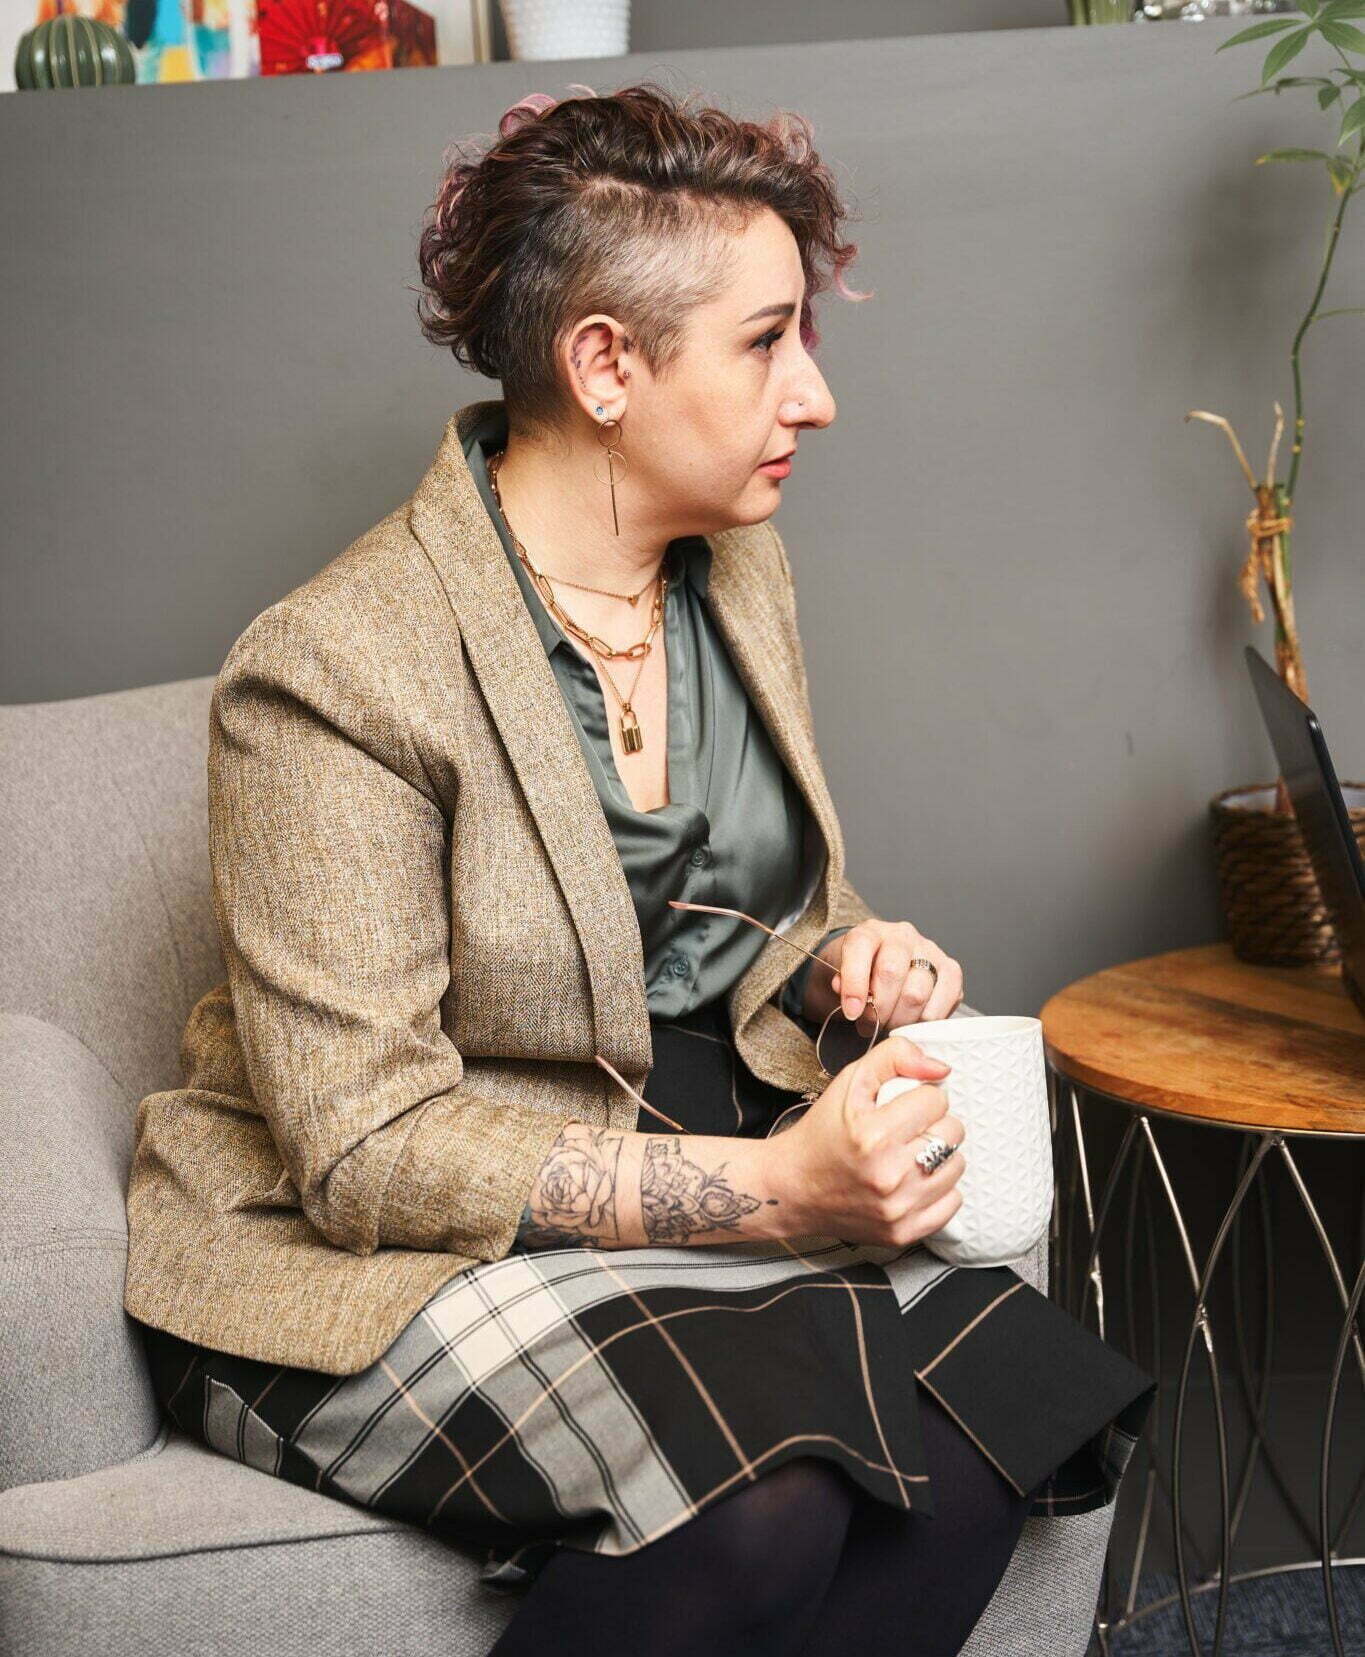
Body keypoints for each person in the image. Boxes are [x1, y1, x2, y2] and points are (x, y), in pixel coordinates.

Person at [125, 81, 1156, 1656]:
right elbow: (364, 1145)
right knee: (759, 1497)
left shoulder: (735, 570)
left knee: (981, 1439)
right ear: (604, 363)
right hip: (367, 1251)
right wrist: (775, 1188)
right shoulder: (335, 668)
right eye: (765, 342)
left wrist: (841, 961)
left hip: (683, 1165)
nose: (815, 396)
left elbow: (740, 914)